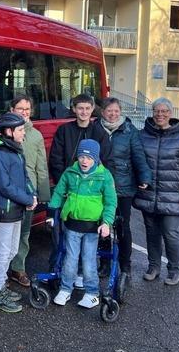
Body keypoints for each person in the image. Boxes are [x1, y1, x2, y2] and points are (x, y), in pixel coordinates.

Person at [0, 95, 50, 287]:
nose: (25, 111)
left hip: (27, 195)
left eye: (28, 108)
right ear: (12, 109)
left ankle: (17, 268)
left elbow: (40, 167)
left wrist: (41, 195)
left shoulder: (35, 135)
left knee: (22, 236)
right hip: (7, 200)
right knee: (3, 243)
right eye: (20, 108)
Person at [133, 98, 179, 286]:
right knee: (152, 234)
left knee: (170, 233)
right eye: (156, 111)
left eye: (164, 111)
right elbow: (136, 162)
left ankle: (175, 269)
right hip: (148, 195)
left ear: (171, 112)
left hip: (172, 196)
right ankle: (153, 267)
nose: (160, 114)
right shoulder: (142, 135)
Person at [47, 94, 112, 276]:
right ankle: (57, 268)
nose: (83, 112)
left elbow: (105, 161)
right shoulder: (64, 130)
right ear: (74, 109)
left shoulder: (99, 133)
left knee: (88, 238)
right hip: (67, 189)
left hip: (91, 193)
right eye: (80, 108)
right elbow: (56, 159)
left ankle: (83, 273)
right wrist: (65, 184)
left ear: (92, 110)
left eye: (87, 108)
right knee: (61, 235)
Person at [49, 139, 117, 308]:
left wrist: (107, 222)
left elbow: (110, 202)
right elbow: (58, 193)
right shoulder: (70, 173)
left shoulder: (104, 176)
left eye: (89, 158)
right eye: (81, 157)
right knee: (70, 259)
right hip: (72, 225)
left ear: (96, 158)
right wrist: (51, 212)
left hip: (92, 228)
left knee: (88, 260)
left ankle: (92, 292)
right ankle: (66, 288)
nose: (84, 161)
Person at [95, 97, 152, 278]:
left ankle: (125, 265)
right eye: (109, 111)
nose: (113, 114)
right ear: (102, 112)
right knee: (102, 225)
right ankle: (104, 263)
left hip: (123, 186)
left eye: (116, 111)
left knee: (122, 226)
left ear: (120, 112)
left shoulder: (129, 130)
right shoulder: (95, 128)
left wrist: (144, 177)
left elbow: (138, 156)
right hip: (99, 186)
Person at [0, 112, 37, 313]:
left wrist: (31, 194)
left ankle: (1, 284)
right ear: (9, 131)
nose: (24, 133)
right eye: (21, 130)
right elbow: (4, 185)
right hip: (5, 210)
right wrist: (26, 199)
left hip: (16, 208)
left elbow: (24, 177)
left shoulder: (15, 150)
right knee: (1, 252)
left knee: (12, 251)